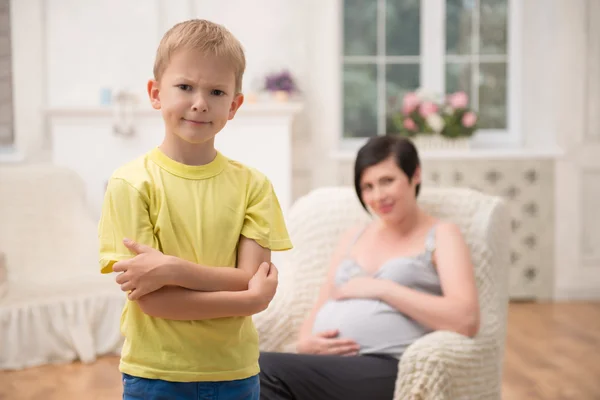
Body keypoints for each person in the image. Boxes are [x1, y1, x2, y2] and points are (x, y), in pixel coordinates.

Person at [98, 19, 292, 400]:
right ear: (155, 93)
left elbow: (250, 275)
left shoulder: (254, 186)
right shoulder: (131, 183)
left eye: (217, 91)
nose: (200, 102)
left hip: (235, 373)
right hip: (155, 375)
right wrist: (250, 300)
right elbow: (153, 300)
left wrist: (174, 270)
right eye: (185, 86)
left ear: (234, 105)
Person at [259, 135, 480, 400]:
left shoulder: (442, 234)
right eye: (368, 186)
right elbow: (323, 300)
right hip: (330, 366)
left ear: (415, 174)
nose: (378, 196)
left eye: (387, 181)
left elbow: (465, 319)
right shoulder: (354, 236)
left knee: (261, 368)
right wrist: (307, 342)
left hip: (387, 365)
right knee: (245, 372)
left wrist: (382, 288)